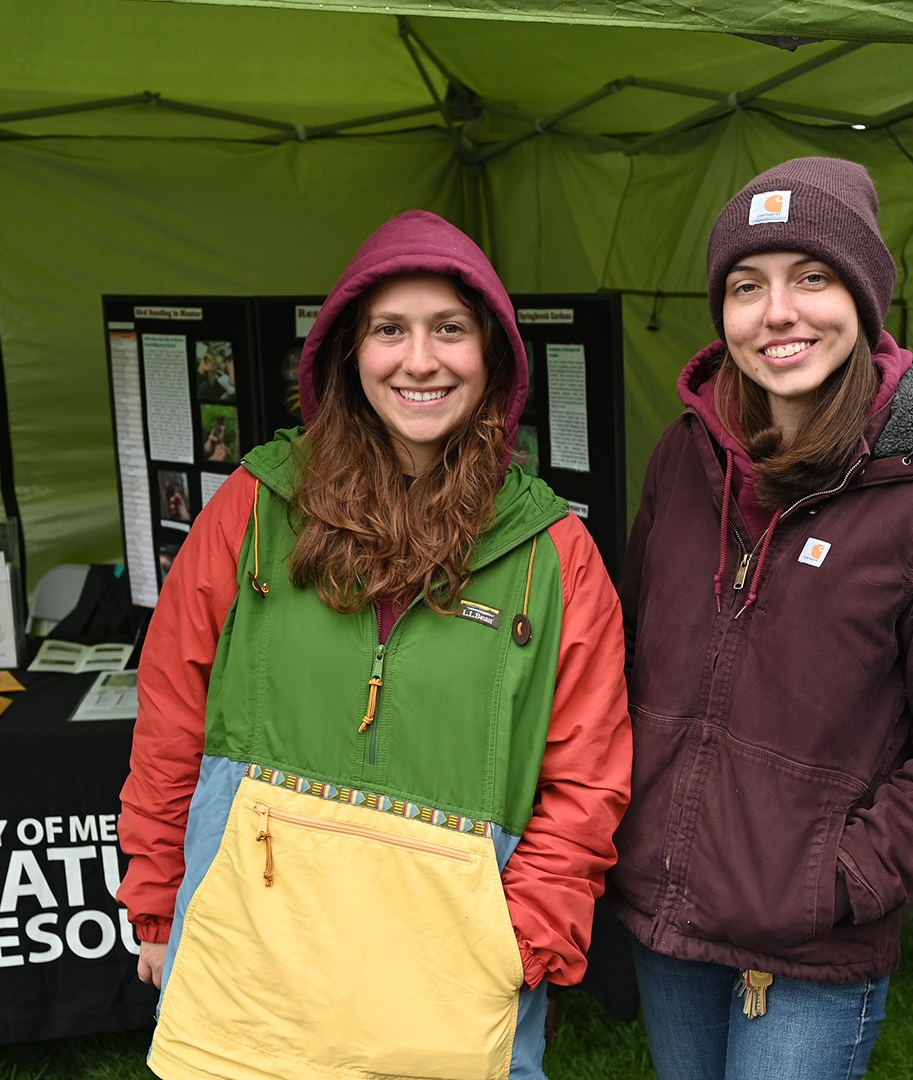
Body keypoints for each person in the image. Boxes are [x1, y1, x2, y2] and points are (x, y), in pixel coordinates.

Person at [116, 210, 632, 1079]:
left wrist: (525, 941)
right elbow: (170, 717)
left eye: (450, 330)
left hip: (449, 987)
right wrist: (161, 905)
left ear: (495, 357)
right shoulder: (252, 509)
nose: (420, 360)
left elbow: (588, 778)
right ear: (347, 353)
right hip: (251, 965)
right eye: (390, 330)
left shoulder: (556, 556)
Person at [609, 157, 913, 1078]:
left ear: (865, 300)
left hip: (808, 945)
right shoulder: (685, 457)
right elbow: (636, 654)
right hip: (668, 905)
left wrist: (842, 879)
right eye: (747, 286)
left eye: (812, 278)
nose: (779, 313)